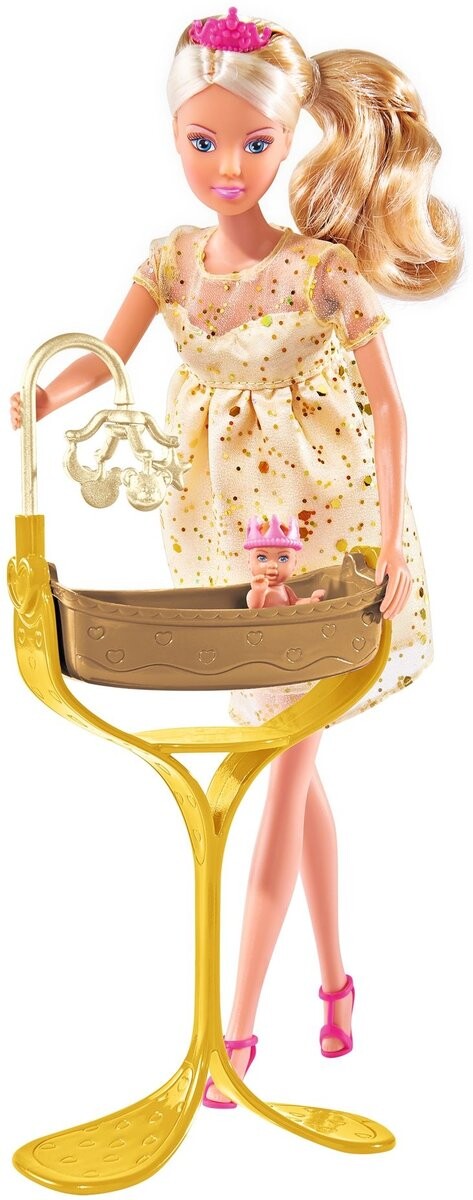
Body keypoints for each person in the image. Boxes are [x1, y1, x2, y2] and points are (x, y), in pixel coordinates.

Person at [10, 9, 462, 1106]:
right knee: (292, 766)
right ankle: (335, 985)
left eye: (254, 144)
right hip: (222, 540)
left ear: (289, 140)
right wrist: (34, 400)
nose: (227, 166)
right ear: (173, 136)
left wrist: (386, 545)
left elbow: (390, 409)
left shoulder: (321, 273)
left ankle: (237, 1030)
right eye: (202, 141)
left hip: (326, 538)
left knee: (274, 769)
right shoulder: (170, 262)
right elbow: (103, 360)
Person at [245, 513, 326, 608]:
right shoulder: (254, 592)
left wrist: (311, 600)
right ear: (249, 562)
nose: (273, 565)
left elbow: (295, 603)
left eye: (283, 558)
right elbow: (255, 607)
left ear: (294, 563)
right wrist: (258, 591)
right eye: (262, 558)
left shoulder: (286, 590)